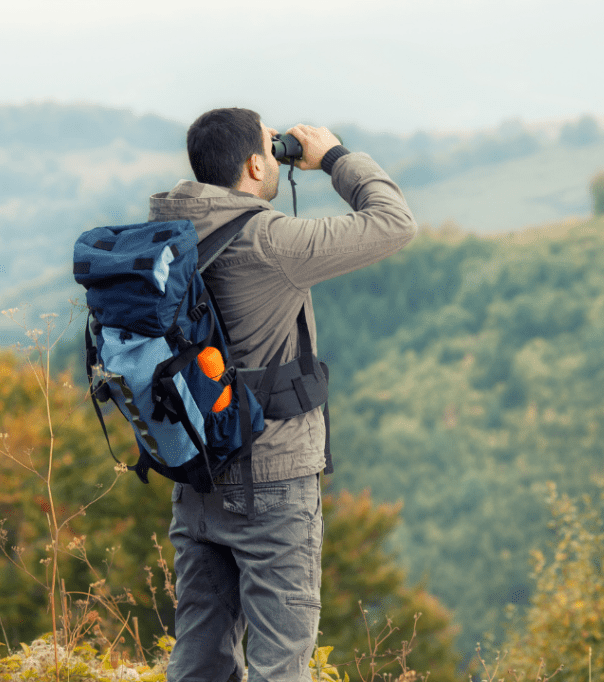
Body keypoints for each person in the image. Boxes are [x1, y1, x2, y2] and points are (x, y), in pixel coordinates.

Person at [148, 107, 417, 682]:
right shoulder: (268, 241)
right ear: (252, 164)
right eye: (269, 151)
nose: (275, 158)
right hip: (270, 477)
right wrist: (334, 158)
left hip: (196, 474)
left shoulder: (167, 234)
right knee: (281, 662)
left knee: (199, 653)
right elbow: (394, 222)